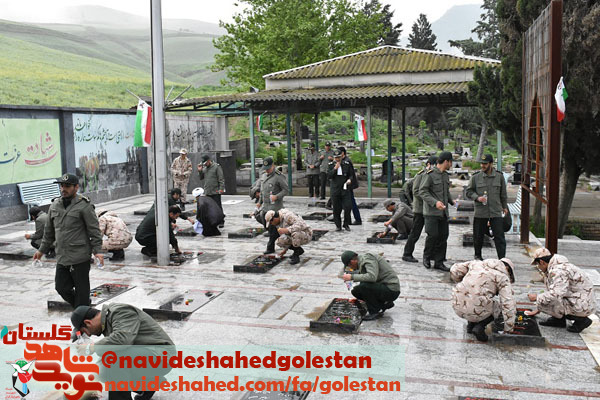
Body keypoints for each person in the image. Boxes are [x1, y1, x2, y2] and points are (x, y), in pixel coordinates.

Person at [71, 303, 175, 400]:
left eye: (86, 332)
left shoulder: (120, 311)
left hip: (162, 356)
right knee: (101, 370)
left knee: (114, 360)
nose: (89, 335)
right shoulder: (106, 323)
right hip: (144, 356)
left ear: (88, 322)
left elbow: (123, 339)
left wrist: (91, 347)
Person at [33, 173, 103, 308]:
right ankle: (82, 307)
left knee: (82, 291)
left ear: (76, 187)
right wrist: (41, 250)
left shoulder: (84, 205)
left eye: (67, 186)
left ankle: (82, 313)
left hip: (80, 256)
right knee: (61, 288)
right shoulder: (54, 205)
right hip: (62, 256)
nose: (63, 189)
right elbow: (48, 232)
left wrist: (98, 251)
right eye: (62, 186)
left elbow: (94, 230)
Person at [527, 247, 596, 333]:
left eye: (538, 265)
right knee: (547, 297)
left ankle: (582, 320)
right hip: (582, 301)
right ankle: (558, 320)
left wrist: (537, 298)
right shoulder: (557, 266)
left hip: (582, 305)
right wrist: (539, 308)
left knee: (549, 298)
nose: (538, 267)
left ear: (542, 262)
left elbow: (555, 294)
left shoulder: (558, 271)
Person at [450, 258, 517, 342]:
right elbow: (508, 303)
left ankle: (470, 325)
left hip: (457, 304)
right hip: (475, 306)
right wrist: (509, 328)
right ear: (507, 268)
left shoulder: (476, 263)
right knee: (497, 306)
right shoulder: (502, 277)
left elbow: (454, 270)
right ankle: (480, 327)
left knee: (473, 296)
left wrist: (461, 281)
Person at [466, 154, 508, 260]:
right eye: (481, 163)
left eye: (485, 164)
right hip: (481, 212)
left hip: (495, 211)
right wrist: (477, 197)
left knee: (499, 236)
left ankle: (502, 259)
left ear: (491, 164)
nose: (482, 165)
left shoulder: (499, 176)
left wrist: (504, 206)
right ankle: (477, 256)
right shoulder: (476, 177)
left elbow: (503, 194)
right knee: (478, 235)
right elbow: (469, 192)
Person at [417, 151, 454, 271]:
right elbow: (422, 191)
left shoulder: (445, 175)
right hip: (431, 212)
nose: (451, 165)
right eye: (450, 162)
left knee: (443, 236)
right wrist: (435, 202)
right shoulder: (430, 175)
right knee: (432, 236)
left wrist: (452, 201)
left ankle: (439, 262)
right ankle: (426, 258)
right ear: (446, 162)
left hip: (443, 212)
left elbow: (446, 192)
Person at [341, 251, 401, 320]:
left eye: (349, 266)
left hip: (391, 290)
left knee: (364, 287)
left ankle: (374, 312)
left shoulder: (368, 259)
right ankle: (384, 304)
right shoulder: (361, 262)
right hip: (383, 287)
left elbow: (372, 277)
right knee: (356, 291)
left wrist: (352, 277)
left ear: (352, 261)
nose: (351, 268)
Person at [402, 156, 437, 263]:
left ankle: (431, 254)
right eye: (434, 164)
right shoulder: (420, 175)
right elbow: (416, 191)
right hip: (420, 209)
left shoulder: (433, 175)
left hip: (430, 209)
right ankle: (407, 254)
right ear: (429, 164)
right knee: (415, 233)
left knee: (432, 233)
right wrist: (428, 199)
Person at [257, 156, 288, 254]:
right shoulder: (263, 176)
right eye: (265, 169)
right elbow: (262, 191)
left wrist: (277, 196)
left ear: (273, 166)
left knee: (272, 228)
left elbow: (286, 190)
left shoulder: (279, 176)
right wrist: (259, 202)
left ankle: (270, 247)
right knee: (263, 221)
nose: (267, 170)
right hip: (265, 207)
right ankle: (277, 235)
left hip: (275, 208)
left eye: (269, 168)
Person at [328, 149, 353, 231]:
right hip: (335, 189)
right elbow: (329, 176)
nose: (337, 159)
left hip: (345, 188)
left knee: (348, 207)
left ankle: (346, 224)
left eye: (339, 157)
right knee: (336, 208)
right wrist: (335, 169)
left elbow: (351, 174)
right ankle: (338, 225)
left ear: (341, 157)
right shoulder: (331, 165)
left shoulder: (346, 164)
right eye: (336, 158)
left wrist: (350, 179)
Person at [339, 147, 361, 225]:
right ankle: (344, 218)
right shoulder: (343, 160)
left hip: (348, 185)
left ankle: (357, 219)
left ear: (343, 153)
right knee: (343, 202)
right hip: (344, 185)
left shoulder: (347, 161)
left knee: (351, 202)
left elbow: (350, 174)